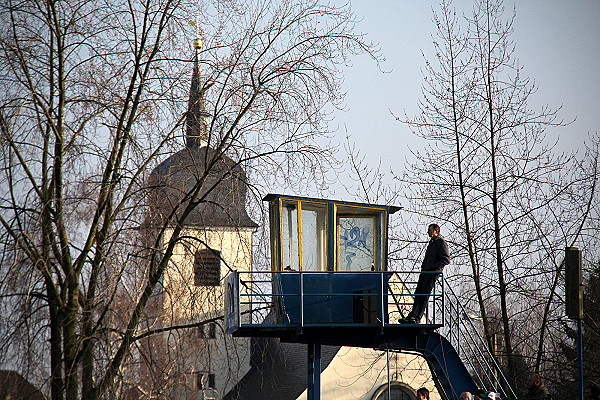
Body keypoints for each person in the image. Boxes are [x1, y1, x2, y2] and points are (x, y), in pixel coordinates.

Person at [400, 223, 450, 323]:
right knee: (418, 293)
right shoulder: (432, 243)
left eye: (430, 230)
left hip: (431, 273)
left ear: (436, 231)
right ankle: (412, 315)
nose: (428, 232)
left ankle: (417, 317)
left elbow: (446, 259)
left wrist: (434, 269)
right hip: (425, 272)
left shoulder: (441, 243)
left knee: (424, 295)